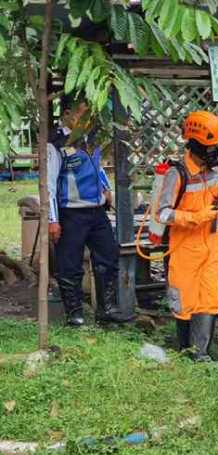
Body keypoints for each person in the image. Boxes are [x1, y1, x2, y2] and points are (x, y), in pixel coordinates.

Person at [158, 111, 218, 361]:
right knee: (185, 299)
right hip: (184, 246)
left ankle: (201, 353)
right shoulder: (176, 173)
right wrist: (196, 216)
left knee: (210, 298)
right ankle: (184, 350)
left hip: (212, 244)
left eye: (216, 146)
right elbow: (163, 214)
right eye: (209, 146)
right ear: (194, 144)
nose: (215, 151)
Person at [48, 95, 135, 327]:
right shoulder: (55, 143)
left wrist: (106, 189)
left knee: (108, 256)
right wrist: (52, 220)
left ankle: (107, 309)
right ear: (67, 113)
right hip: (71, 213)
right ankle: (74, 314)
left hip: (97, 211)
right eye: (81, 113)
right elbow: (48, 186)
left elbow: (97, 167)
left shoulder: (91, 138)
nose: (86, 119)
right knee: (71, 264)